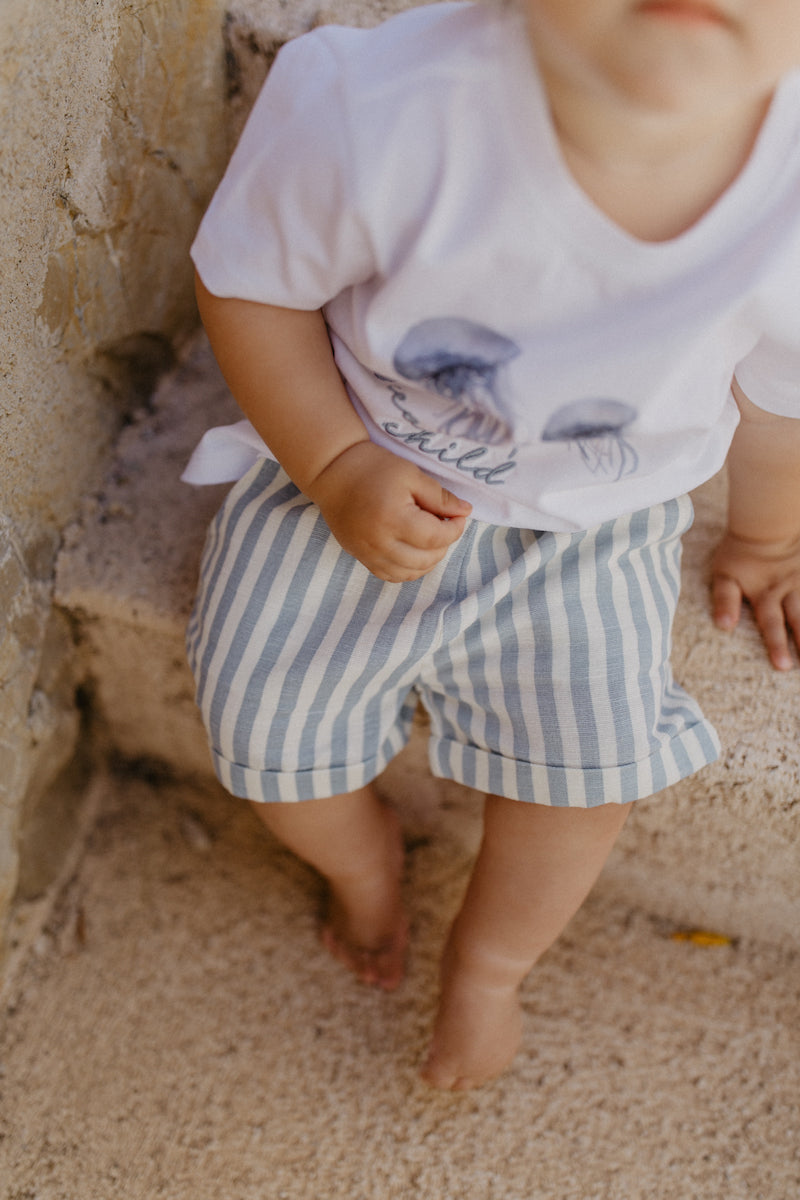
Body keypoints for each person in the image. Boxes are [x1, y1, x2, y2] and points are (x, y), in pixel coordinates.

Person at [182, 0, 800, 1090]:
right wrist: (331, 463)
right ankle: (362, 864)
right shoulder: (374, 109)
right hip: (354, 463)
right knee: (262, 732)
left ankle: (490, 964)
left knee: (581, 782)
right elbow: (247, 285)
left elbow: (781, 398)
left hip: (590, 531)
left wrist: (762, 536)